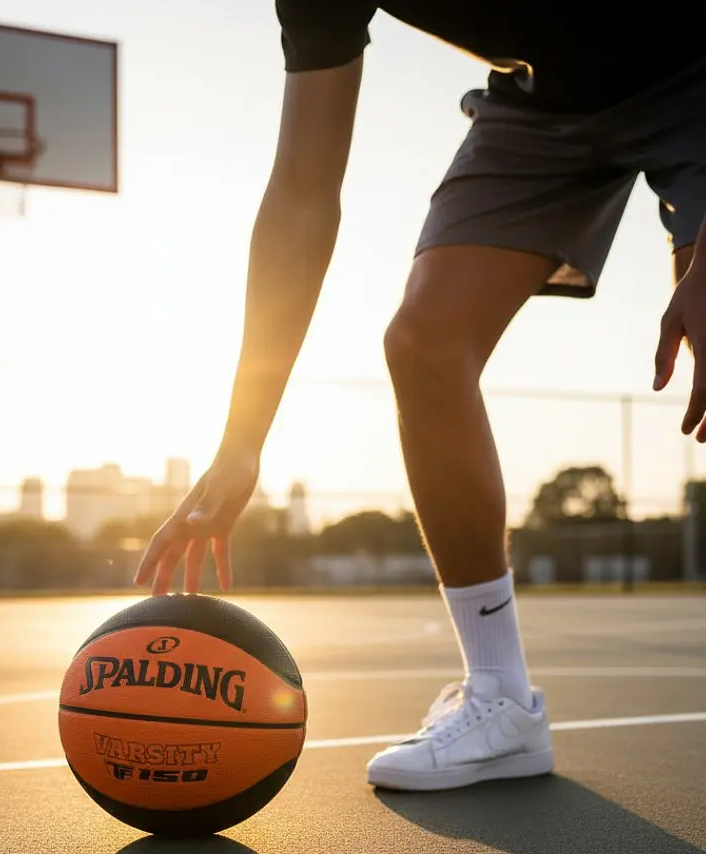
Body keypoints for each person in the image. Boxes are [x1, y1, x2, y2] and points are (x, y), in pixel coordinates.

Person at [133, 4, 706, 792]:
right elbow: (302, 193)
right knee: (422, 343)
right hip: (547, 103)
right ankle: (501, 699)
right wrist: (241, 440)